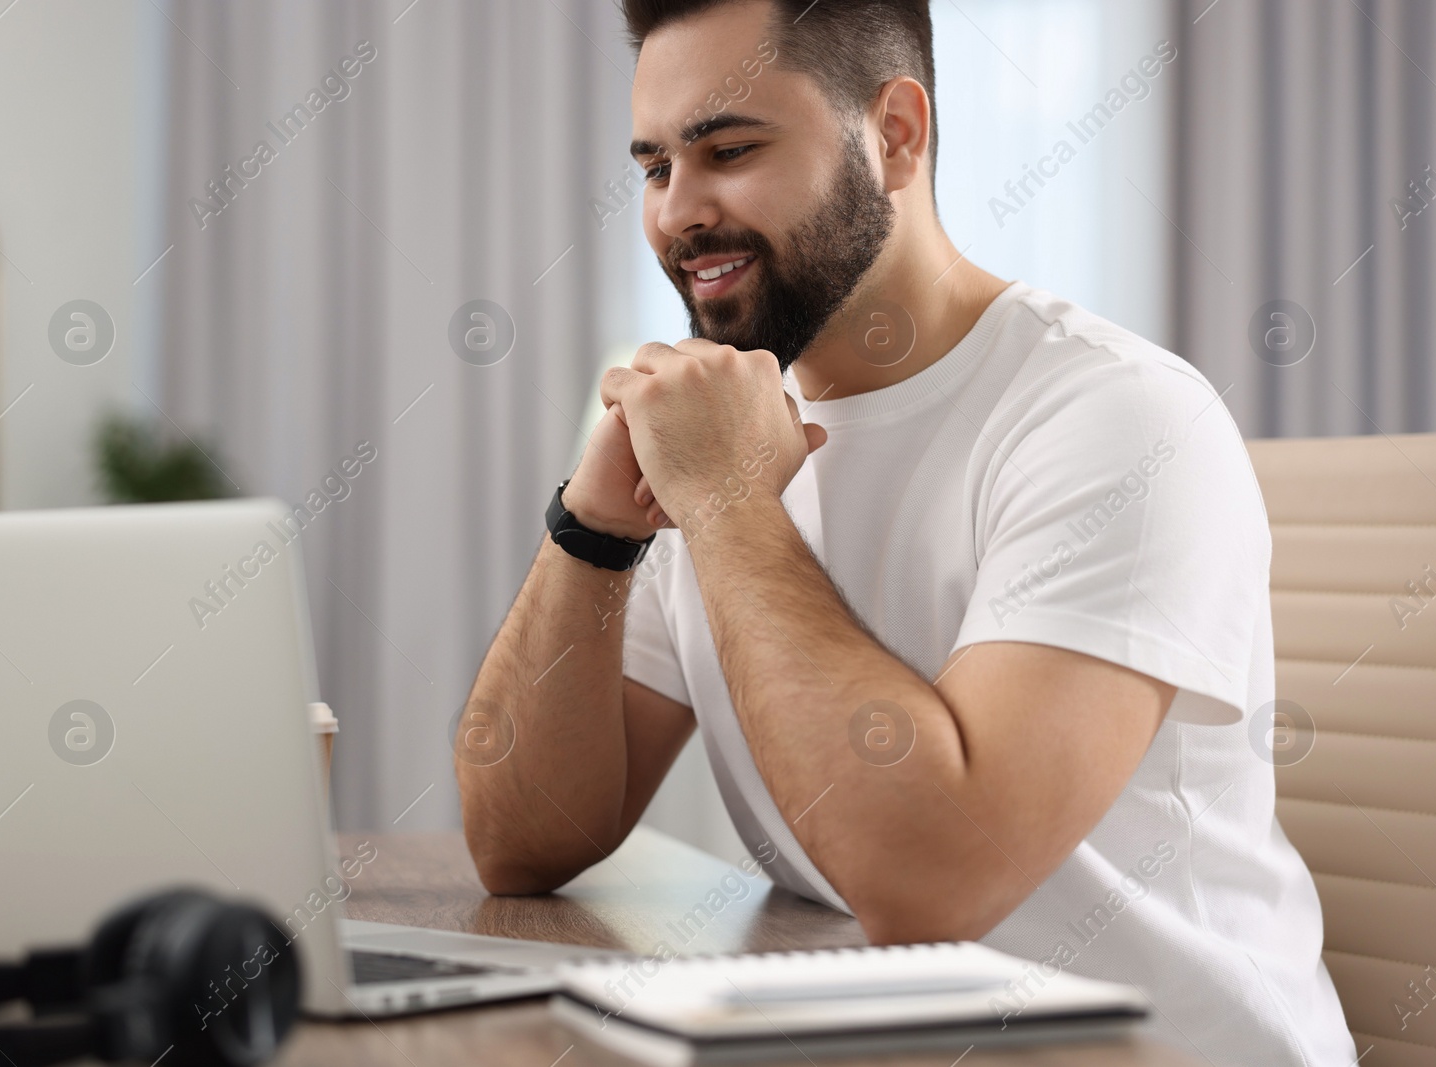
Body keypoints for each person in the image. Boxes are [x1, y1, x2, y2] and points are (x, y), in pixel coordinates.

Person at [456, 2, 1354, 1063]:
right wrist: (595, 525)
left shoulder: (1120, 420)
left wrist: (730, 500)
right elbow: (522, 839)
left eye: (728, 150)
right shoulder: (724, 433)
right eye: (654, 168)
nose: (675, 214)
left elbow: (936, 884)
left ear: (895, 133)